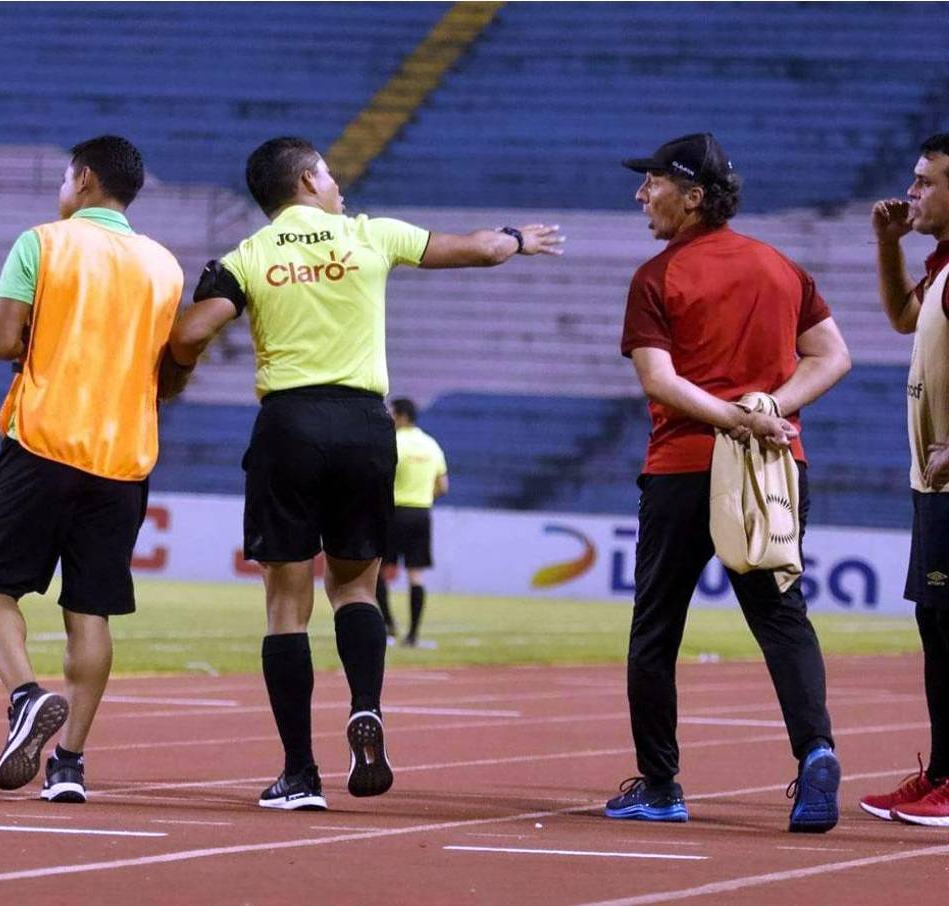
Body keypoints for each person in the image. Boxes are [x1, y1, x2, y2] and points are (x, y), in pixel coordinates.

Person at [164, 136, 563, 810]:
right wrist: (517, 238)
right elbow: (475, 249)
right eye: (328, 171)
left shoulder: (247, 257)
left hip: (289, 424)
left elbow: (188, 335)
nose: (338, 181)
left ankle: (298, 774)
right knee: (355, 590)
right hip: (362, 426)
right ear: (308, 178)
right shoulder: (368, 234)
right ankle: (366, 706)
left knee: (286, 607)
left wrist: (187, 350)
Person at [606, 133, 852, 832]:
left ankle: (660, 786)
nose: (640, 194)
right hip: (774, 468)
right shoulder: (781, 267)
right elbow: (834, 355)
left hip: (685, 469)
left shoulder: (657, 278)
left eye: (652, 182)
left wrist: (736, 420)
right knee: (783, 618)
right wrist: (770, 410)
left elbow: (659, 380)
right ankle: (816, 753)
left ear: (693, 198)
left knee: (655, 631)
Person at [0, 135, 183, 804]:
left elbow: (0, 340)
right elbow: (168, 375)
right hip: (122, 458)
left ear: (84, 180)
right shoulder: (164, 266)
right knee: (91, 612)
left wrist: (36, 344)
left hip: (43, 442)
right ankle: (70, 766)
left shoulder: (45, 242)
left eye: (65, 178)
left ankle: (26, 696)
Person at [859, 133, 949, 827]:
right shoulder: (944, 266)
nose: (912, 192)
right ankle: (943, 774)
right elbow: (900, 319)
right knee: (937, 626)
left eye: (925, 182)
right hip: (932, 486)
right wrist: (889, 244)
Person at [375, 397, 448, 647]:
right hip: (420, 513)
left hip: (394, 512)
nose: (390, 418)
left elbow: (380, 477)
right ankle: (413, 635)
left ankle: (388, 625)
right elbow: (443, 486)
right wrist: (423, 496)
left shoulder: (393, 442)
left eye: (392, 414)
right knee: (416, 574)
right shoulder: (431, 445)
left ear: (402, 416)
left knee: (378, 571)